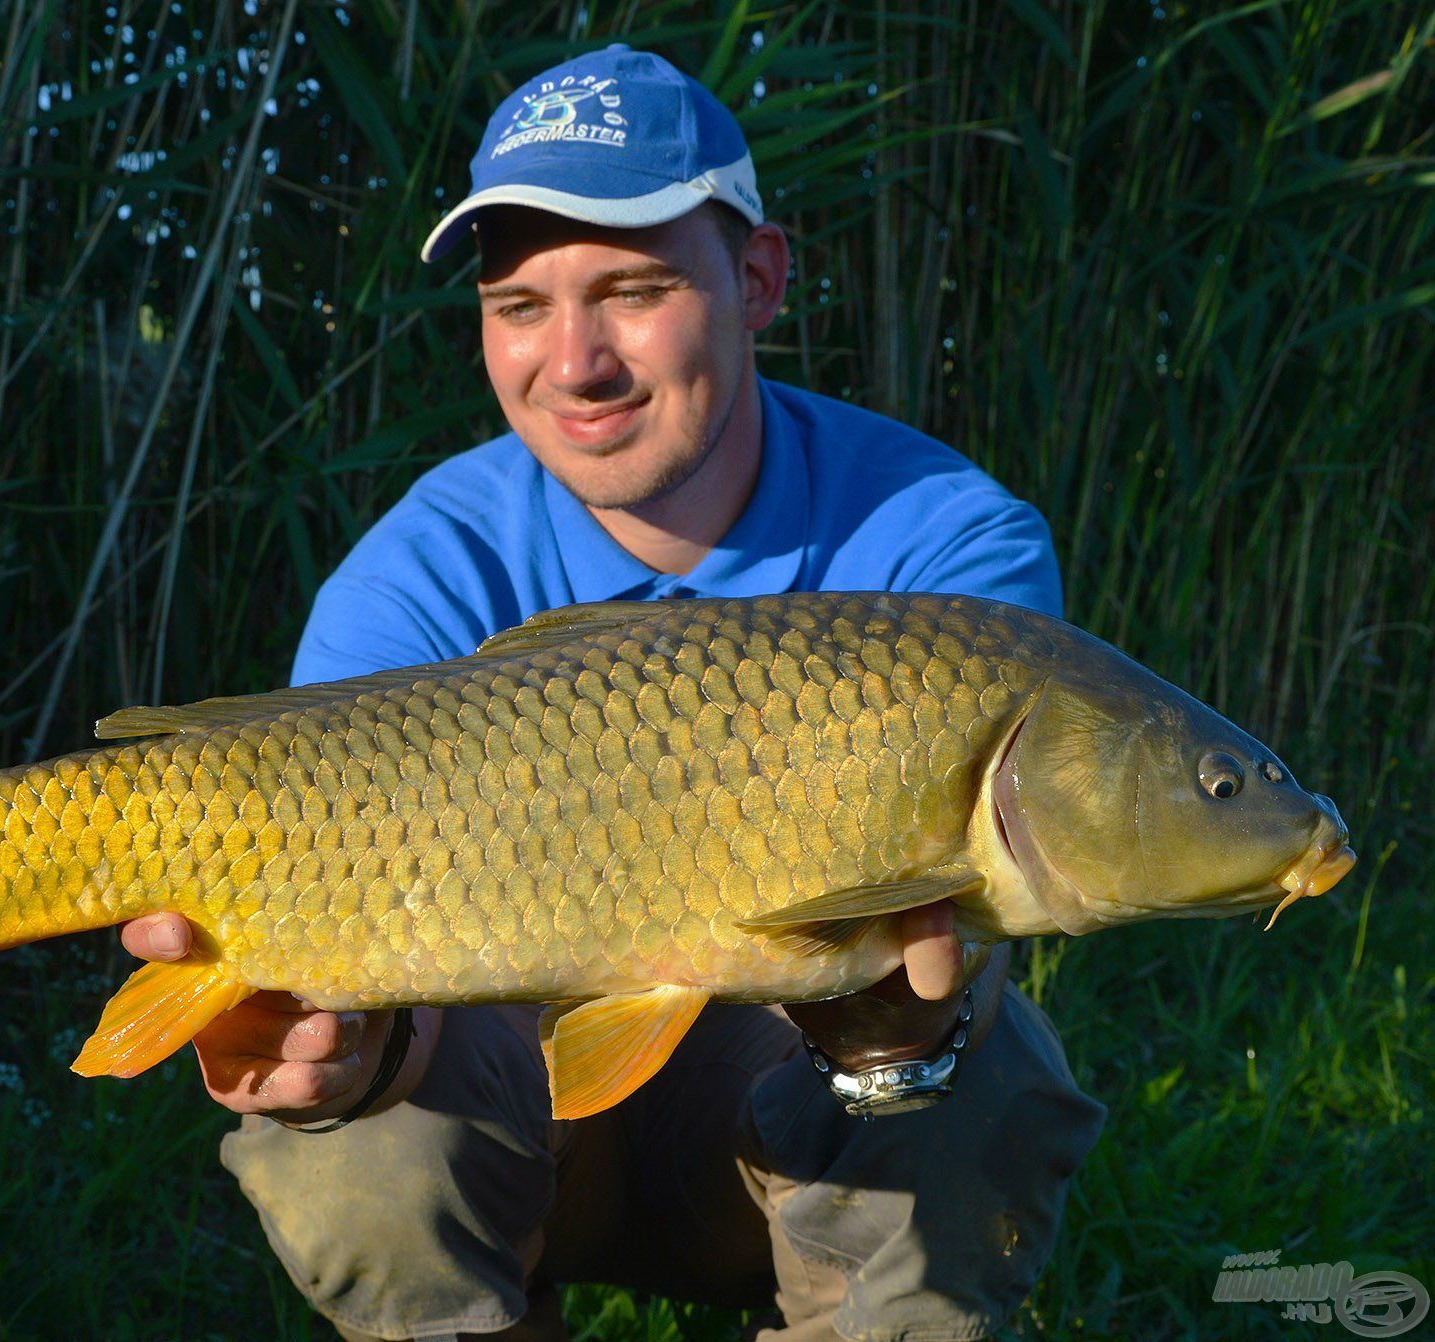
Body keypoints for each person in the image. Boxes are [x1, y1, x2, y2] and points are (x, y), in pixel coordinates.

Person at [118, 45, 1106, 1342]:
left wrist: (890, 1041)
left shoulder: (941, 553)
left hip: (798, 1126)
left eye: (633, 291)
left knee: (980, 1062)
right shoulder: (422, 574)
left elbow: (990, 900)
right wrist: (346, 1058)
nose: (573, 363)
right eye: (520, 306)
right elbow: (349, 991)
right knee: (348, 1140)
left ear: (758, 280)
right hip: (513, 1118)